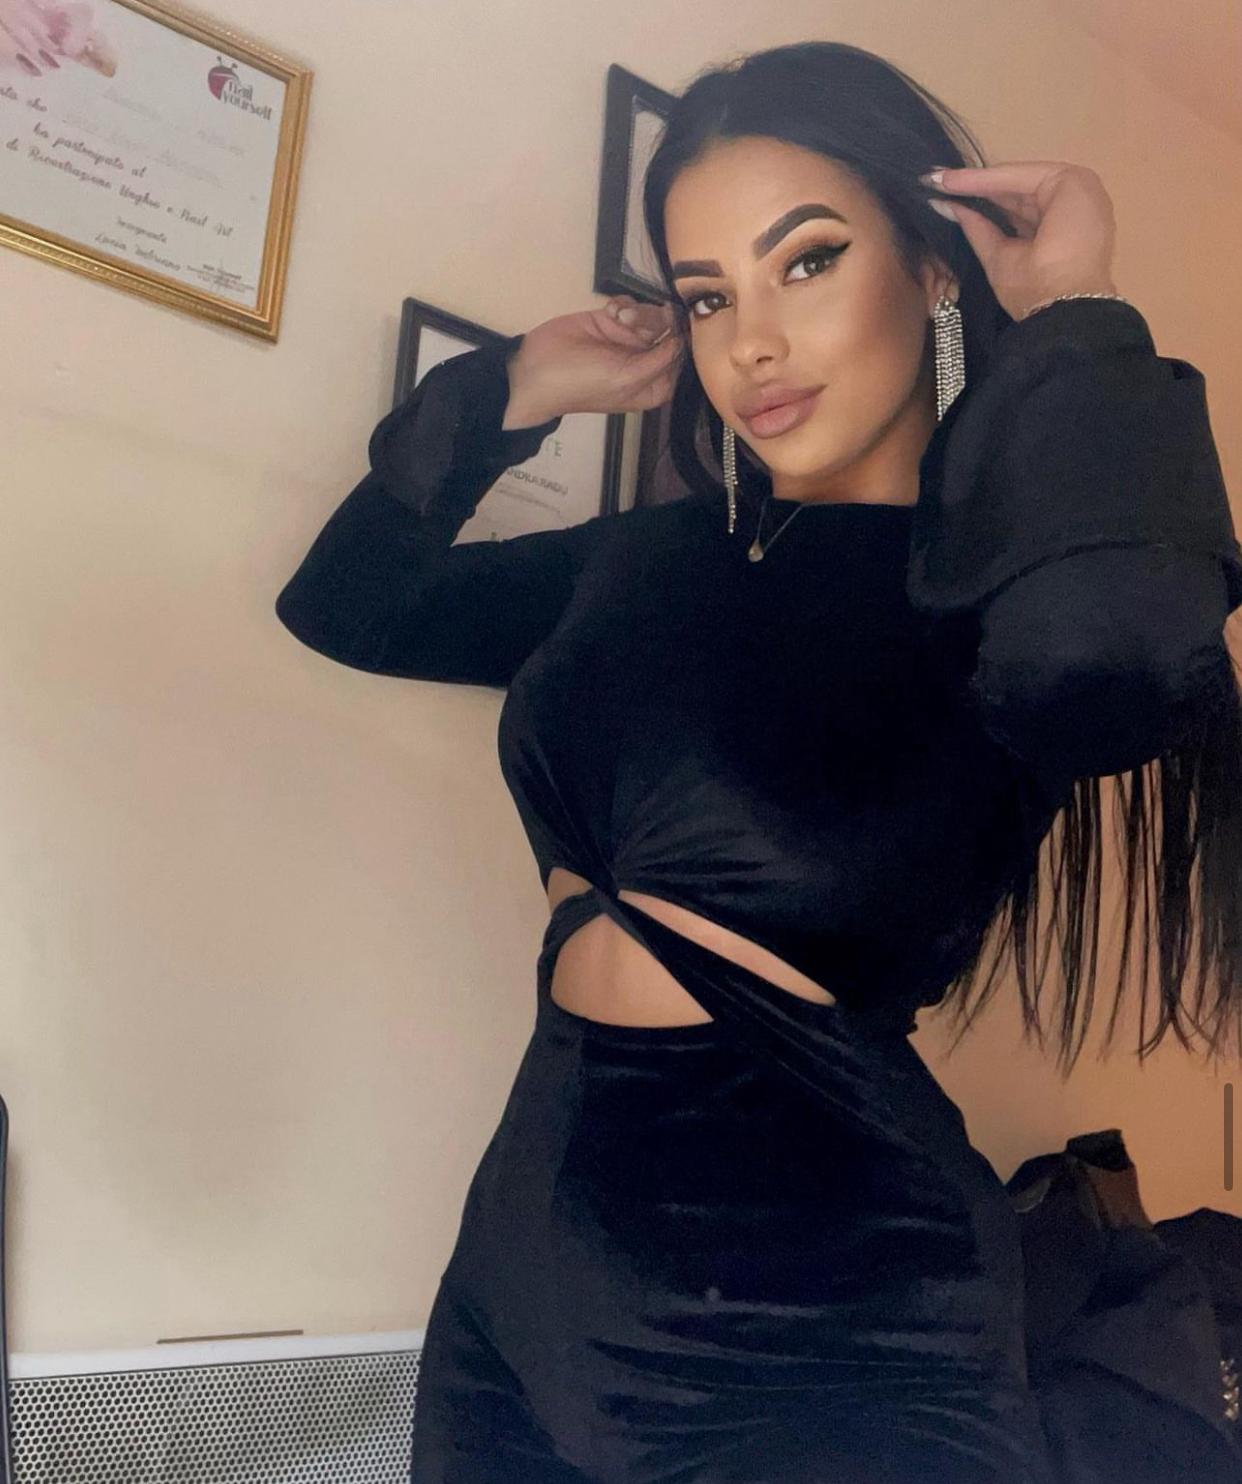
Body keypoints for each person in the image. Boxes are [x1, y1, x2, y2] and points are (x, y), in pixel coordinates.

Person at [275, 40, 1242, 1484]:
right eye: (708, 294)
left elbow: (1120, 664)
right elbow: (348, 607)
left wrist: (1071, 311)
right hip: (513, 1290)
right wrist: (519, 385)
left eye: (807, 261)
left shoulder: (996, 596)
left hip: (826, 1322)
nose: (750, 345)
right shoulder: (640, 559)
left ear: (932, 270)